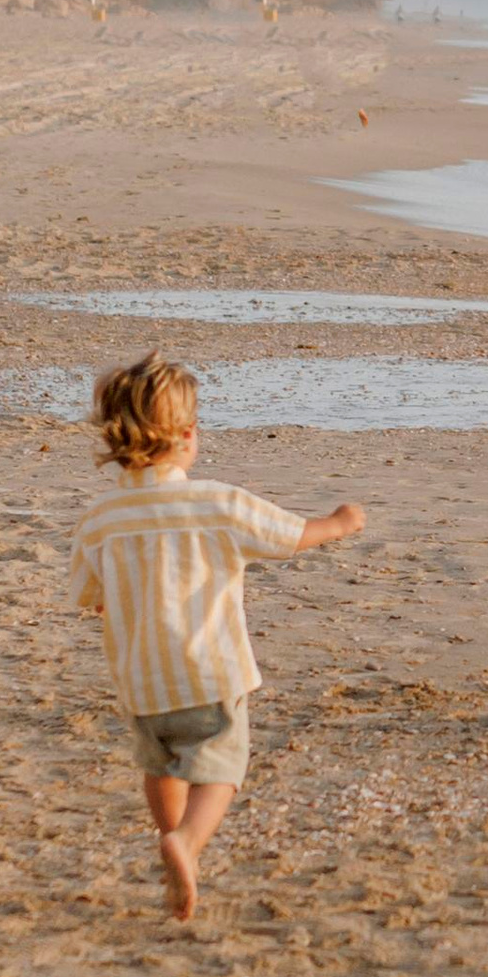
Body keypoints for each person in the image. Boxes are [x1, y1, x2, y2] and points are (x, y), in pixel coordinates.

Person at [71, 351, 365, 922]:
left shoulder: (101, 519)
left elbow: (91, 594)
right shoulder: (216, 503)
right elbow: (286, 535)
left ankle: (171, 835)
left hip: (142, 683)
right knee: (221, 771)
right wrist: (338, 523)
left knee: (160, 765)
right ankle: (187, 841)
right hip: (210, 674)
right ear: (186, 436)